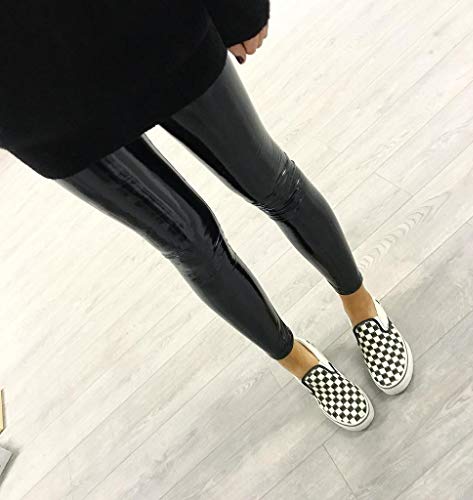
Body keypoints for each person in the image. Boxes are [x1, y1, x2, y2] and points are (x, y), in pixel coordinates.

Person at [0, 0, 413, 431]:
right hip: (31, 102)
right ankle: (298, 361)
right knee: (192, 247)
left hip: (147, 25)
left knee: (271, 181)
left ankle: (361, 304)